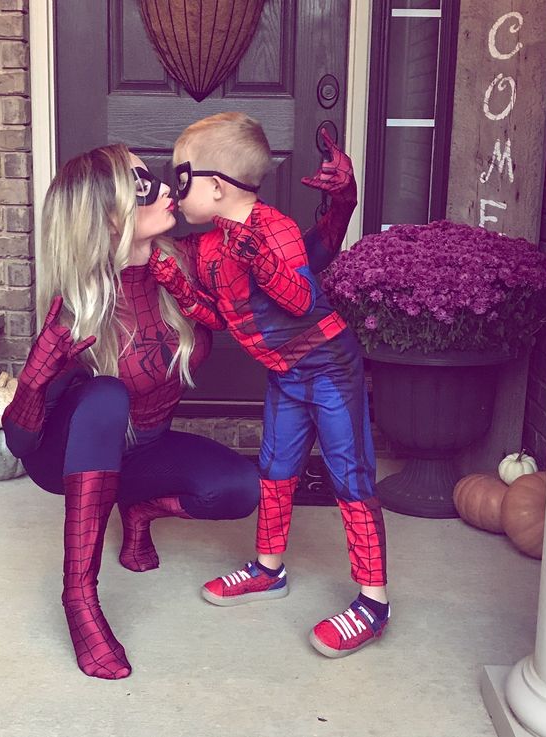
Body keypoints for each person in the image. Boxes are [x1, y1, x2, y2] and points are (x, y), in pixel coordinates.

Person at [1, 144, 260, 680]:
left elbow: (286, 260)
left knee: (240, 488)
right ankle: (80, 600)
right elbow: (21, 444)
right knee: (106, 395)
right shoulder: (79, 304)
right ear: (110, 213)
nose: (167, 189)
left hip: (144, 446)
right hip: (64, 460)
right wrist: (37, 371)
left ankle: (137, 509)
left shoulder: (184, 263)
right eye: (142, 185)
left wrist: (339, 212)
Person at [162, 112, 390, 658]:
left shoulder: (275, 229)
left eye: (181, 178)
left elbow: (300, 300)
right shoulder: (211, 245)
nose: (174, 189)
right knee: (275, 471)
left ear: (215, 186)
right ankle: (268, 569)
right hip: (285, 374)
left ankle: (374, 601)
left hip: (329, 365)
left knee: (350, 475)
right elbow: (222, 316)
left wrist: (257, 256)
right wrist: (178, 284)